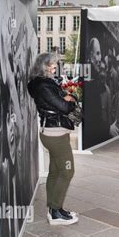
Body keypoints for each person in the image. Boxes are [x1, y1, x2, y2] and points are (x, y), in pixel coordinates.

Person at [27, 53, 79, 225]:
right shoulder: (44, 86)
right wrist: (69, 101)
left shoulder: (41, 83)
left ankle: (54, 209)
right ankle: (56, 213)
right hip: (55, 134)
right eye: (52, 65)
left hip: (51, 132)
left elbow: (64, 99)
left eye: (55, 65)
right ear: (43, 66)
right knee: (67, 171)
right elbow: (64, 106)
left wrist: (67, 98)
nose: (55, 67)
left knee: (55, 172)